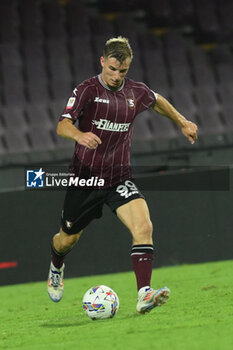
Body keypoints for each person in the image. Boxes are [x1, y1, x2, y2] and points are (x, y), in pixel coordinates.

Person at [47, 36, 198, 313]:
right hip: (87, 178)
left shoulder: (135, 92)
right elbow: (62, 125)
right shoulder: (86, 90)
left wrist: (182, 121)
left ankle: (144, 294)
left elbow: (157, 100)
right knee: (67, 239)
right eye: (112, 69)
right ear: (102, 61)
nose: (117, 77)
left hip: (119, 177)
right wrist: (79, 136)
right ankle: (56, 265)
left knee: (144, 227)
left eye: (123, 71)